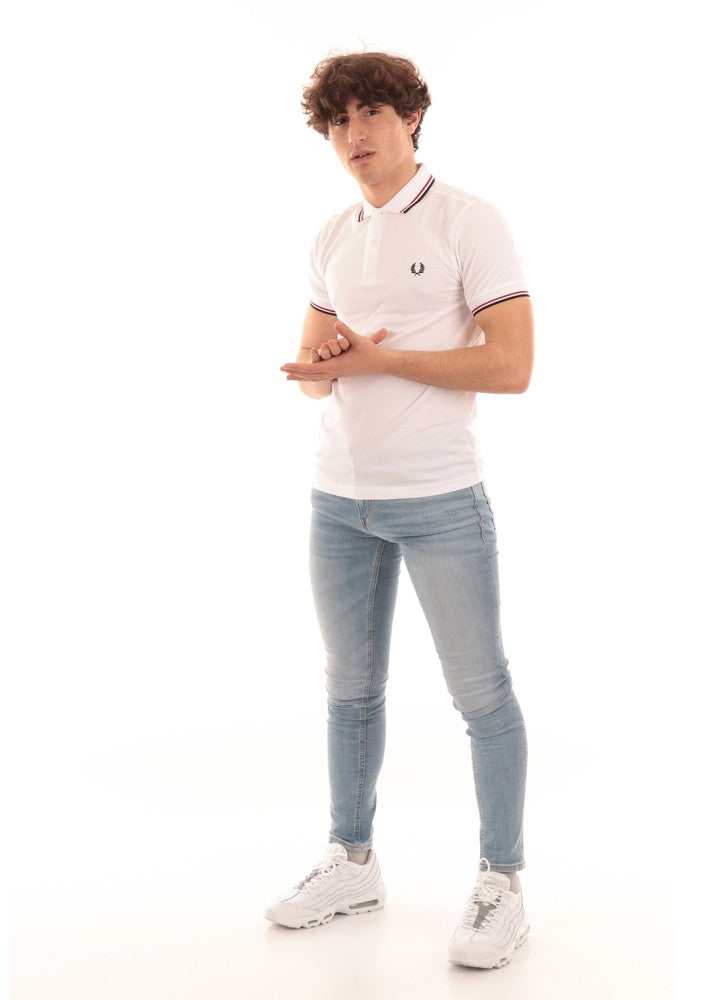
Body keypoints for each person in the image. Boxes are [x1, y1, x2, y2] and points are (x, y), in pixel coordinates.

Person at [265, 51, 533, 970]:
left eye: (372, 112)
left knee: (481, 694)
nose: (355, 134)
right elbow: (314, 377)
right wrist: (327, 363)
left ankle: (503, 882)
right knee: (349, 690)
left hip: (440, 499)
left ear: (412, 117)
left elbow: (513, 366)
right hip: (339, 501)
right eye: (338, 120)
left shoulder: (468, 220)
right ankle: (352, 861)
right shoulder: (332, 235)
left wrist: (380, 360)